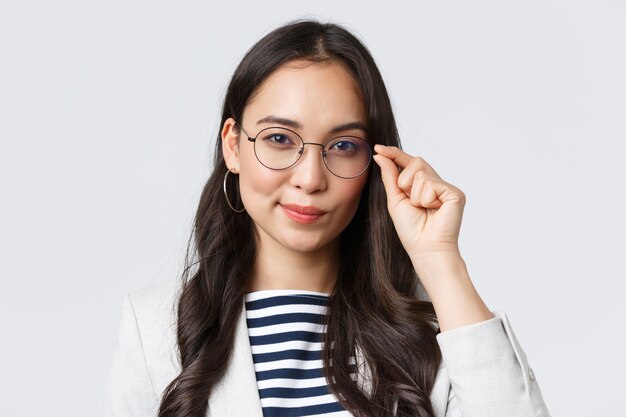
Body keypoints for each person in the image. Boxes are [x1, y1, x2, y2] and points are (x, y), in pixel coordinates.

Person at [103, 19, 551, 417]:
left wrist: (440, 260)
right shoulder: (157, 327)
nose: (311, 178)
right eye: (280, 138)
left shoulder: (435, 329)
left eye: (342, 146)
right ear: (233, 145)